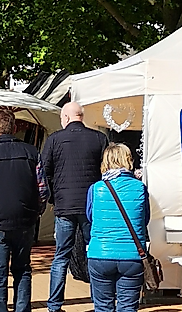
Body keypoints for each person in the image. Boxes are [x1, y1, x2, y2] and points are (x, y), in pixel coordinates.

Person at [0, 110, 48, 312]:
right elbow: (43, 190)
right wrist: (36, 212)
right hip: (24, 221)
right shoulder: (32, 153)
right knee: (22, 271)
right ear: (14, 129)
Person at [42, 101, 110, 312]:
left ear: (66, 118)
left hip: (64, 206)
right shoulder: (99, 138)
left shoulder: (54, 140)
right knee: (95, 253)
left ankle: (54, 305)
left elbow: (44, 172)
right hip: (92, 206)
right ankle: (99, 303)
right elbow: (106, 171)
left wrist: (54, 198)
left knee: (61, 256)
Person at [86, 143, 149, 312]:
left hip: (100, 254)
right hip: (132, 256)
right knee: (128, 307)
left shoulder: (96, 189)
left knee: (103, 307)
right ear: (128, 160)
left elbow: (90, 217)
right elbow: (146, 219)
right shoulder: (140, 188)